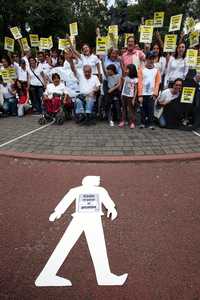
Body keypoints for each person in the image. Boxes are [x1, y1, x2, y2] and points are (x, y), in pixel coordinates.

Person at [35, 176, 128, 287]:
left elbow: (107, 201)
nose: (99, 181)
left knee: (86, 246)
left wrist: (112, 209)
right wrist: (57, 212)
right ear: (89, 181)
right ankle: (104, 276)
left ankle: (104, 276)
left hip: (87, 218)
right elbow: (66, 201)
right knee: (74, 245)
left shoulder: (96, 190)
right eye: (96, 179)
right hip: (85, 219)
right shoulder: (82, 190)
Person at [138, 51, 161, 129]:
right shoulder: (141, 70)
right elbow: (140, 83)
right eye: (149, 58)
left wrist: (155, 93)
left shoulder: (156, 71)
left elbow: (157, 83)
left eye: (152, 59)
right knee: (143, 109)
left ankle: (151, 123)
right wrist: (140, 95)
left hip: (151, 94)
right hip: (143, 93)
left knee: (151, 109)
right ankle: (142, 122)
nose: (151, 60)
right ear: (146, 59)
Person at [119, 64, 138, 129]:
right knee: (123, 108)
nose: (126, 71)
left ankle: (132, 122)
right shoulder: (126, 77)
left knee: (130, 110)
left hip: (131, 96)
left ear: (132, 70)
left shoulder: (135, 79)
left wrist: (134, 98)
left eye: (127, 69)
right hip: (124, 95)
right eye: (126, 69)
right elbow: (123, 85)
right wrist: (122, 94)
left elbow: (136, 90)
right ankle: (123, 121)